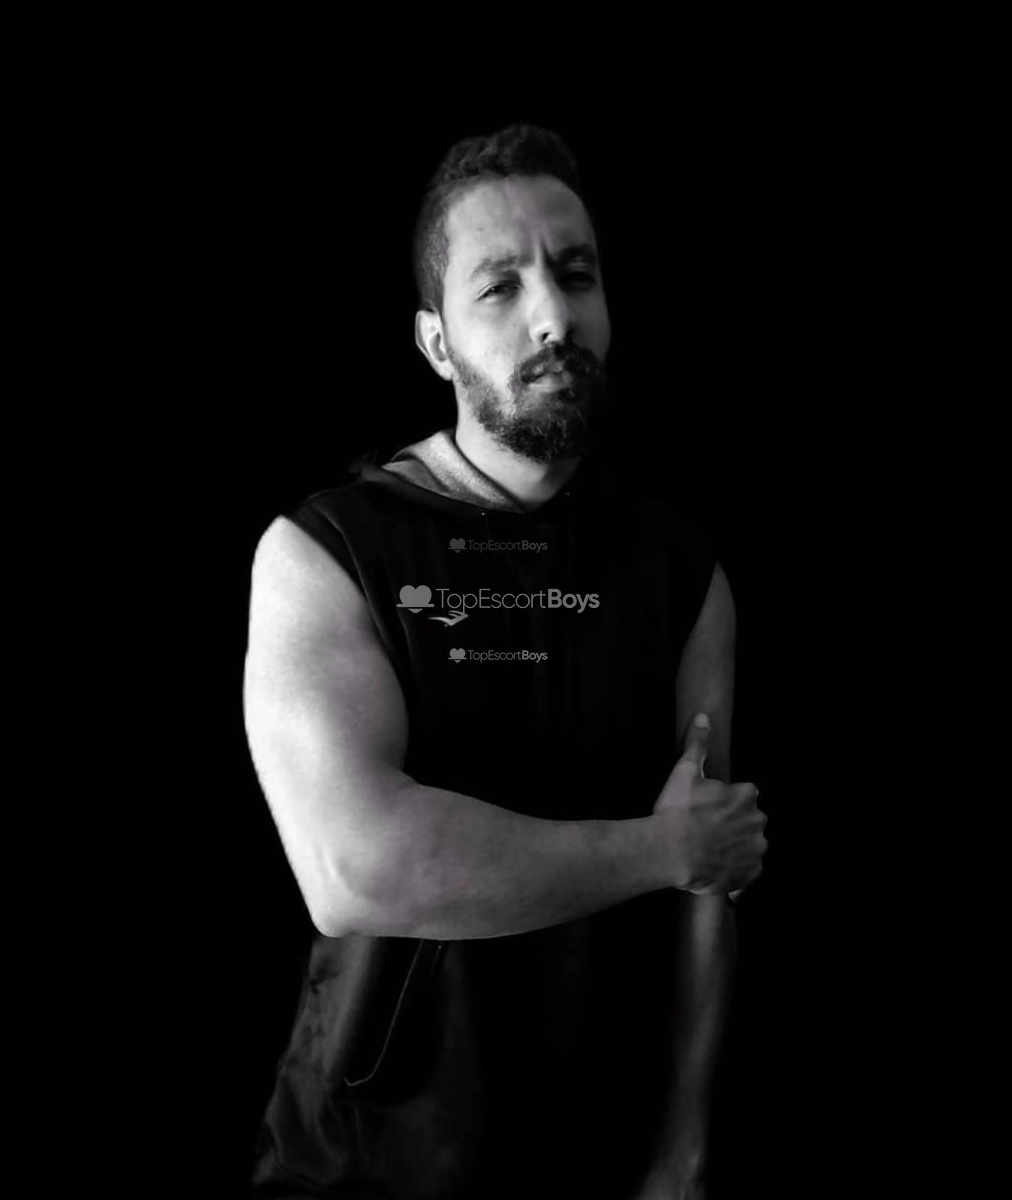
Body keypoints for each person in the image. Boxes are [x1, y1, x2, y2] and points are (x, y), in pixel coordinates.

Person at [243, 123, 767, 1199]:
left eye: (576, 275)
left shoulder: (682, 574)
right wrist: (661, 849)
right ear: (435, 343)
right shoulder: (325, 552)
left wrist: (683, 1150)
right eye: (501, 287)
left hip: (600, 1157)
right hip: (365, 1164)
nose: (554, 316)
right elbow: (355, 870)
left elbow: (707, 891)